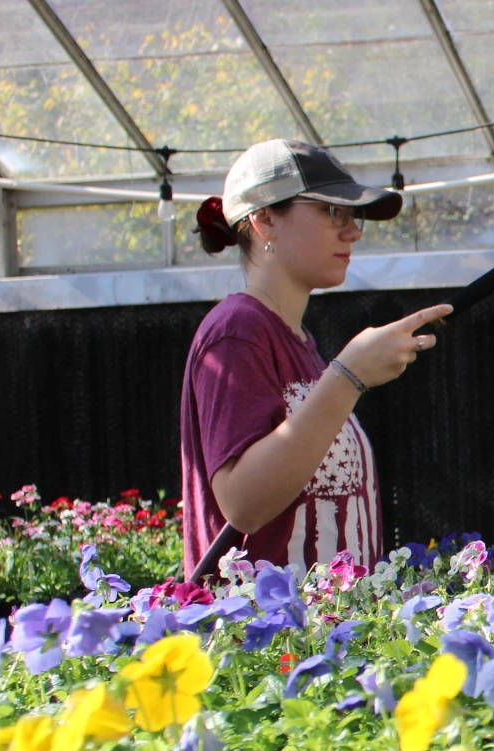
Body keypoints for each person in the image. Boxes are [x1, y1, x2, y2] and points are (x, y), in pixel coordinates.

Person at [179, 138, 451, 577]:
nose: (354, 231)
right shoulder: (236, 332)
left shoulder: (299, 343)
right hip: (266, 641)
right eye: (331, 212)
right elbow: (243, 505)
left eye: (353, 214)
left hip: (325, 639)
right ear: (266, 220)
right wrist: (348, 377)